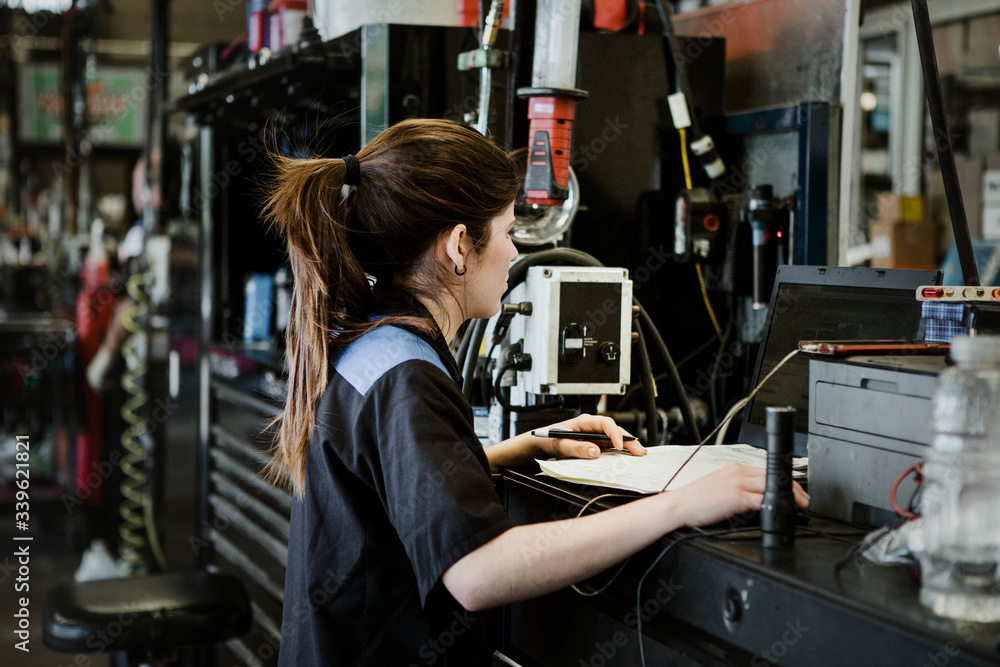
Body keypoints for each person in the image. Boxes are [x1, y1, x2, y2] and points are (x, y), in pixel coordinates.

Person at [263, 118, 809, 666]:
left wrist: (510, 451)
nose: (514, 250)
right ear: (458, 246)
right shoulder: (408, 375)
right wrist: (681, 504)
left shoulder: (369, 341)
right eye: (505, 231)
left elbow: (383, 482)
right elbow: (479, 572)